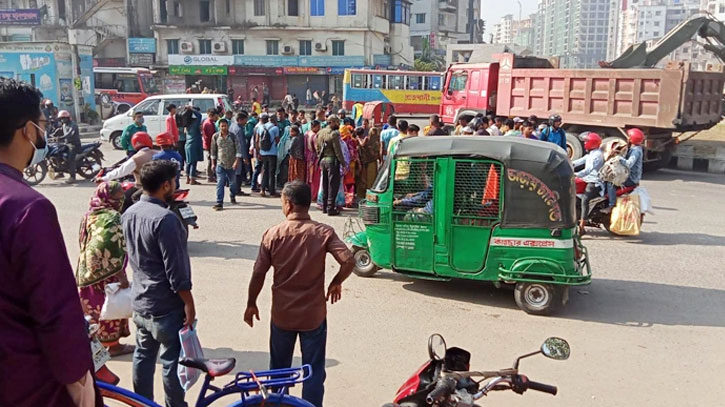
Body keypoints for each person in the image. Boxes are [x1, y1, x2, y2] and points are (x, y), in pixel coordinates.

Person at [0, 78, 97, 407]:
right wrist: (79, 381)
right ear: (27, 130)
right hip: (25, 380)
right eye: (42, 125)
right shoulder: (27, 207)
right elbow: (54, 310)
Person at [244, 181, 354, 407]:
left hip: (282, 315)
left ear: (289, 204)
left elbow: (258, 274)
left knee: (279, 371)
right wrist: (336, 282)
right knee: (313, 371)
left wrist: (251, 303)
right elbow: (349, 260)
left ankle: (277, 403)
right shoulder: (323, 232)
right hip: (313, 316)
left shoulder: (273, 234)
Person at [122, 161, 195, 407]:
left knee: (143, 356)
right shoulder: (166, 219)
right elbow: (177, 271)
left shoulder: (129, 213)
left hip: (141, 301)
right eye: (174, 182)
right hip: (166, 305)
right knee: (171, 360)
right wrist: (189, 304)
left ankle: (141, 403)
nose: (175, 186)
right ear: (166, 185)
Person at [76, 181, 133, 357]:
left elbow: (84, 240)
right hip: (108, 273)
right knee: (109, 307)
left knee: (91, 306)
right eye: (118, 197)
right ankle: (112, 345)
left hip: (87, 270)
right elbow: (111, 247)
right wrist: (120, 275)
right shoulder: (113, 217)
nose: (121, 200)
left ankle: (93, 341)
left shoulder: (90, 214)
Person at [100, 132, 157, 213]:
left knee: (124, 201)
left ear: (135, 143)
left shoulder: (136, 158)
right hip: (161, 187)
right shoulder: (157, 153)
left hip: (143, 188)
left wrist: (104, 178)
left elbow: (121, 171)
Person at [604, 128, 644, 212]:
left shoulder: (636, 151)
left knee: (611, 182)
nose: (627, 138)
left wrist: (618, 158)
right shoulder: (633, 148)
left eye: (629, 137)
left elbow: (629, 163)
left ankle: (611, 205)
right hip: (627, 175)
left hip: (631, 178)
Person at [572, 132, 604, 232]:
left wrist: (576, 174)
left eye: (586, 141)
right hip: (586, 179)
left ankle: (582, 226)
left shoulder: (598, 155)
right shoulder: (590, 153)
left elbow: (589, 169)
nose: (584, 143)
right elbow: (579, 161)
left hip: (594, 182)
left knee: (585, 200)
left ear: (592, 143)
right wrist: (568, 163)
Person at [316, 115, 345, 216]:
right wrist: (344, 164)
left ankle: (324, 207)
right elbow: (338, 151)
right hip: (332, 162)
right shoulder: (333, 134)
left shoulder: (320, 133)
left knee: (325, 184)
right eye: (337, 122)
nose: (338, 124)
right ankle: (330, 208)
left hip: (323, 161)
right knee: (333, 185)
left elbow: (318, 149)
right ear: (332, 122)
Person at [211, 119, 242, 210]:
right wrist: (213, 164)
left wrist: (237, 161)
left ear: (228, 126)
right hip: (220, 164)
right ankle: (219, 202)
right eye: (222, 126)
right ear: (219, 127)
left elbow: (238, 149)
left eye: (225, 126)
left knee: (233, 183)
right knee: (220, 183)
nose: (224, 128)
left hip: (232, 165)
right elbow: (213, 151)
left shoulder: (233, 136)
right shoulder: (215, 137)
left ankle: (232, 195)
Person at [56, 109, 82, 184]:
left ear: (68, 118)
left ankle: (72, 177)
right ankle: (61, 172)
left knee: (71, 159)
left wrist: (61, 138)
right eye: (61, 118)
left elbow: (70, 133)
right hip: (67, 144)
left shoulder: (73, 125)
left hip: (74, 145)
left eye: (64, 118)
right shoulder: (64, 125)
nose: (62, 120)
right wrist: (51, 135)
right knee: (58, 153)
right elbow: (58, 131)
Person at [259, 113, 281, 197]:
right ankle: (272, 191)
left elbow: (258, 140)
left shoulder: (261, 127)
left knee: (265, 170)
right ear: (274, 120)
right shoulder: (275, 128)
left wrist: (259, 152)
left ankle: (262, 189)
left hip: (263, 152)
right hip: (272, 152)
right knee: (272, 172)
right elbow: (277, 140)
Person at [229, 112, 251, 195]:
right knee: (239, 172)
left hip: (232, 152)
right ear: (240, 120)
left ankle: (236, 189)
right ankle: (237, 190)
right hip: (238, 154)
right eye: (245, 120)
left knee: (235, 172)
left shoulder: (232, 126)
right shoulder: (239, 130)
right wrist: (245, 157)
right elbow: (241, 144)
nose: (246, 122)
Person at [356, 126, 380, 199]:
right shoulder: (377, 142)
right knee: (371, 180)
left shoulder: (366, 140)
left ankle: (362, 195)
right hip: (372, 162)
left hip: (365, 162)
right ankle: (370, 195)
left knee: (364, 180)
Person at [183, 105, 203, 185]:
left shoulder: (187, 124)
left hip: (187, 144)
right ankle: (192, 179)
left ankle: (188, 178)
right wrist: (192, 109)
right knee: (193, 163)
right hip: (194, 144)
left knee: (188, 162)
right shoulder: (194, 124)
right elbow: (199, 115)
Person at [305, 120, 322, 199]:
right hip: (314, 158)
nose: (319, 128)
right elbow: (317, 149)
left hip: (308, 157)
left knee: (309, 177)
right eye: (318, 127)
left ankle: (308, 194)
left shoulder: (307, 133)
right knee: (315, 178)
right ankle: (314, 195)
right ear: (313, 127)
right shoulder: (314, 136)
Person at [202, 108, 218, 183]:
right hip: (209, 144)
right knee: (210, 160)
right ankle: (209, 176)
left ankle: (211, 175)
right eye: (215, 116)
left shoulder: (209, 122)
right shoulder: (208, 124)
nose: (216, 118)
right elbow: (210, 136)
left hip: (208, 144)